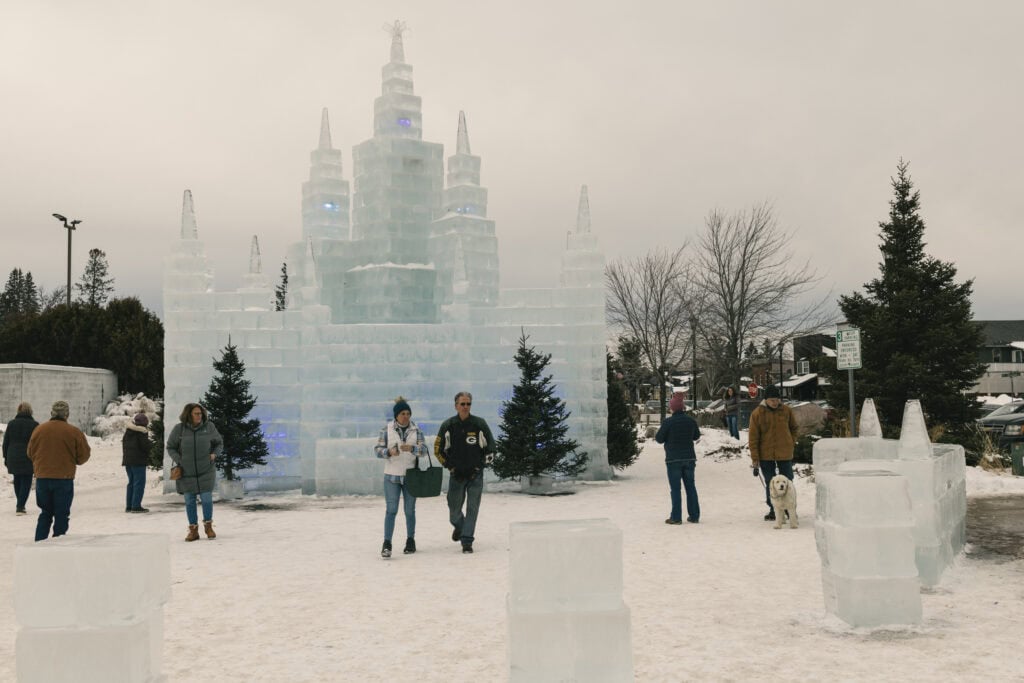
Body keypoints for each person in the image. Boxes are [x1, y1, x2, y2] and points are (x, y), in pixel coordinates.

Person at [434, 391, 495, 554]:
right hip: (456, 476)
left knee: (472, 509)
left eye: (468, 404)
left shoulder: (479, 424)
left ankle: (467, 541)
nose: (465, 407)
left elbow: (492, 449)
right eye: (462, 404)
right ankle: (460, 527)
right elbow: (437, 450)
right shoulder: (448, 425)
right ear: (456, 406)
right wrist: (450, 466)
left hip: (475, 476)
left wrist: (479, 467)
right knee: (454, 511)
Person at [26, 400, 91, 541]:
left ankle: (39, 543)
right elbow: (83, 456)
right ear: (67, 415)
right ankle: (58, 543)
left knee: (45, 513)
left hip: (42, 477)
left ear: (51, 413)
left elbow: (30, 453)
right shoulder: (74, 432)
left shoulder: (39, 430)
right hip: (63, 478)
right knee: (61, 514)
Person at [374, 397, 428, 558]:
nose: (406, 416)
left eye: (408, 413)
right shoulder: (386, 429)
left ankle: (410, 540)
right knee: (391, 510)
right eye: (403, 413)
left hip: (410, 476)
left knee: (410, 511)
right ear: (396, 415)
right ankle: (387, 543)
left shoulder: (416, 430)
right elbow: (377, 450)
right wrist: (388, 452)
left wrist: (412, 448)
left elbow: (424, 450)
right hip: (392, 476)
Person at [166, 403, 223, 542]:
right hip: (186, 472)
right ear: (188, 415)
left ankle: (208, 526)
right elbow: (170, 447)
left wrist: (214, 454)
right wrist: (180, 459)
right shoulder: (179, 429)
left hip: (206, 470)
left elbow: (219, 443)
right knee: (190, 501)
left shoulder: (209, 427)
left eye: (200, 413)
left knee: (207, 499)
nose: (199, 416)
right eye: (196, 413)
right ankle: (193, 530)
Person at [747, 386, 799, 521]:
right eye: (772, 400)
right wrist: (755, 457)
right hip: (766, 454)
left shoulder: (786, 411)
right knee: (771, 482)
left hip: (785, 452)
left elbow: (794, 428)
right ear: (766, 400)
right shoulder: (757, 413)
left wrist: (791, 442)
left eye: (777, 400)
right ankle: (773, 509)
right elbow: (753, 437)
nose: (775, 403)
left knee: (787, 480)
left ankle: (789, 508)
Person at [655, 392, 702, 524]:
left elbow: (659, 439)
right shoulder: (691, 421)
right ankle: (694, 515)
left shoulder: (668, 422)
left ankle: (676, 517)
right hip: (689, 458)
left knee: (676, 488)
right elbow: (696, 436)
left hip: (673, 459)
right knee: (691, 487)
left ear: (673, 408)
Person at [3, 402, 39, 515]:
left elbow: (6, 442)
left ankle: (20, 504)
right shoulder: (34, 425)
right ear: (30, 411)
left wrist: (5, 456)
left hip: (12, 455)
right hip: (28, 455)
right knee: (26, 481)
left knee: (17, 479)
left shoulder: (11, 424)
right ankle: (20, 505)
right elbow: (37, 443)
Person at [122, 412, 151, 513]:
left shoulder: (128, 431)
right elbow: (145, 447)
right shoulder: (142, 432)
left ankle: (129, 506)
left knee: (131, 483)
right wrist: (150, 445)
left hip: (128, 461)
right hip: (138, 461)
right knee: (139, 483)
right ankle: (136, 506)